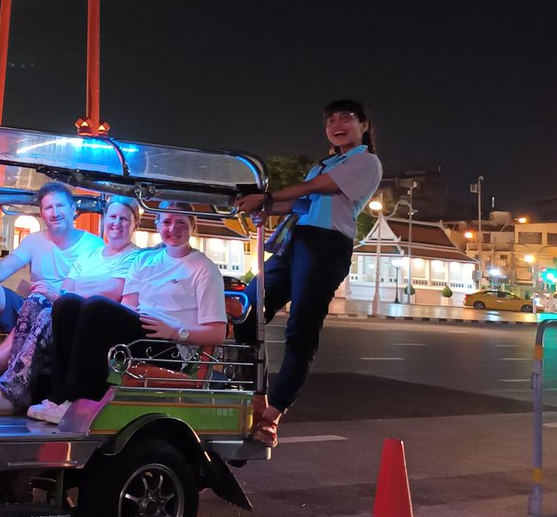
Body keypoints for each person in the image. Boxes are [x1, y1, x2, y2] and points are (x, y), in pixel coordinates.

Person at [233, 99, 382, 447]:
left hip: (326, 245)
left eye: (345, 117)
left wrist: (267, 196)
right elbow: (301, 203)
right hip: (295, 240)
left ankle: (272, 417)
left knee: (300, 329)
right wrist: (261, 204)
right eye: (330, 120)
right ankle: (250, 395)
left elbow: (317, 190)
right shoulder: (324, 164)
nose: (336, 124)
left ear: (364, 125)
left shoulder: (364, 161)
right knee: (245, 309)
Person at [29, 206, 227, 424]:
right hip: (142, 330)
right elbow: (129, 306)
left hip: (172, 345)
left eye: (181, 222)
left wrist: (175, 331)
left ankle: (80, 400)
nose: (173, 228)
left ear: (193, 226)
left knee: (95, 306)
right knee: (67, 303)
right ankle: (57, 398)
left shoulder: (203, 268)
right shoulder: (145, 260)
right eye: (167, 222)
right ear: (158, 224)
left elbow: (217, 333)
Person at [0, 195, 143, 416]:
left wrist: (64, 294)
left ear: (135, 224)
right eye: (113, 217)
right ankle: (10, 386)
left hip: (96, 325)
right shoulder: (89, 255)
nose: (117, 223)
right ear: (105, 220)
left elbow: (112, 291)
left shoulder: (135, 257)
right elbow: (67, 286)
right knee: (36, 301)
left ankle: (10, 390)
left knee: (47, 313)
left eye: (124, 219)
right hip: (70, 316)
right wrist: (64, 293)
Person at [0, 181, 103, 362]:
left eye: (60, 206)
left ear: (72, 209)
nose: (55, 213)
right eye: (48, 208)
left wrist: (55, 296)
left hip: (65, 316)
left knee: (38, 311)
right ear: (42, 214)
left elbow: (97, 295)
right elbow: (6, 266)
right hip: (31, 307)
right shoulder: (33, 240)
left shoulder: (94, 245)